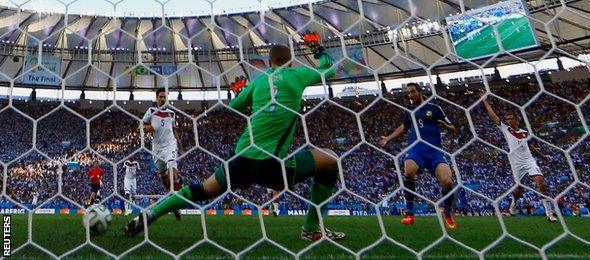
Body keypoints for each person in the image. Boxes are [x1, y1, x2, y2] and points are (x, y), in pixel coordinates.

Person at [125, 32, 345, 241]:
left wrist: (241, 92)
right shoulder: (298, 75)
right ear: (290, 61)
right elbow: (330, 70)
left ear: (269, 63)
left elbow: (235, 106)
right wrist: (317, 49)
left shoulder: (258, 82)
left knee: (202, 189)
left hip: (239, 159)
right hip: (272, 164)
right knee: (331, 160)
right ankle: (311, 228)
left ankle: (150, 214)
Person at [379, 83, 458, 229]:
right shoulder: (409, 110)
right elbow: (404, 127)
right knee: (408, 171)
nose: (410, 95)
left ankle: (447, 213)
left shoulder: (435, 108)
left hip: (435, 152)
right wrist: (388, 138)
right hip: (416, 149)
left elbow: (453, 127)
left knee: (447, 182)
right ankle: (409, 213)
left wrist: (444, 125)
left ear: (420, 92)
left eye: (413, 92)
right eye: (408, 93)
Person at [482, 96, 557, 222]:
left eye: (511, 119)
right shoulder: (506, 129)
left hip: (529, 161)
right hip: (516, 164)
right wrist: (485, 101)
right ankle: (513, 204)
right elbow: (493, 116)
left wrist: (543, 157)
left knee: (541, 183)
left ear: (517, 119)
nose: (509, 121)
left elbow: (531, 147)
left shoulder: (524, 132)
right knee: (519, 189)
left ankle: (549, 214)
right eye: (508, 119)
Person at [142, 88, 185, 221]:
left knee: (173, 170)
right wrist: (147, 128)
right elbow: (141, 127)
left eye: (164, 97)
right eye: (160, 97)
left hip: (170, 145)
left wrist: (181, 147)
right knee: (165, 179)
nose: (162, 99)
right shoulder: (150, 111)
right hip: (157, 149)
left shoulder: (171, 113)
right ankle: (174, 203)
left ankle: (176, 200)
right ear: (156, 98)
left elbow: (174, 130)